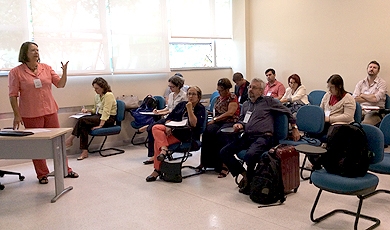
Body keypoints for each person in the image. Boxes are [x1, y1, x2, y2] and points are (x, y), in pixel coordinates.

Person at [8, 41, 78, 184]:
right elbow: (13, 95)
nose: (36, 52)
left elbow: (60, 84)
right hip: (31, 114)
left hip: (50, 111)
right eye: (33, 50)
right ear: (25, 53)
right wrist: (16, 114)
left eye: (37, 50)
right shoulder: (16, 72)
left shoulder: (46, 68)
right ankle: (42, 174)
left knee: (58, 142)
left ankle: (65, 169)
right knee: (37, 145)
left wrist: (64, 72)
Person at [220, 78, 300, 194]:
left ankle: (251, 180)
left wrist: (294, 128)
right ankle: (246, 175)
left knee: (250, 155)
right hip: (247, 136)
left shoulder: (268, 101)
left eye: (254, 87)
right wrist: (239, 124)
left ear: (261, 91)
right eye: (249, 87)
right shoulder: (246, 104)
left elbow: (287, 112)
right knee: (224, 152)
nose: (250, 89)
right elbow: (243, 120)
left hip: (264, 137)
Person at [146, 86, 206, 182]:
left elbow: (194, 124)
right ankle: (164, 149)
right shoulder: (182, 104)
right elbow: (169, 117)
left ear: (198, 97)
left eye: (193, 94)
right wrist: (168, 125)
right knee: (155, 127)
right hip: (172, 131)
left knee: (158, 143)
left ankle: (157, 170)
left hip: (185, 136)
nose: (190, 96)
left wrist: (190, 109)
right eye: (189, 94)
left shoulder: (200, 108)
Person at [309, 74, 356, 169]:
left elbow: (348, 116)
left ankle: (322, 161)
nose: (329, 90)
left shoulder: (348, 98)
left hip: (342, 126)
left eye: (332, 87)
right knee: (311, 133)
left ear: (339, 87)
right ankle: (314, 159)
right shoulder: (327, 95)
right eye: (328, 87)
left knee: (333, 134)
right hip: (326, 123)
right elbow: (321, 109)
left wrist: (330, 119)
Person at [196, 78, 240, 178]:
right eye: (218, 90)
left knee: (221, 134)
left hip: (230, 121)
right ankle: (206, 162)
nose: (219, 92)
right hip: (219, 120)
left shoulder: (232, 97)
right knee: (208, 132)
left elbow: (230, 113)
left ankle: (225, 166)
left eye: (220, 90)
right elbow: (216, 112)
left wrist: (215, 120)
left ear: (227, 89)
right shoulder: (218, 98)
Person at [65, 77, 117, 160]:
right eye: (94, 88)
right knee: (83, 125)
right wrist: (87, 111)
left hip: (108, 119)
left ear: (103, 87)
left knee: (82, 120)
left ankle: (70, 139)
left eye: (97, 88)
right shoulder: (97, 96)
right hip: (99, 116)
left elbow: (106, 112)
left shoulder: (109, 95)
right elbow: (96, 110)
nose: (95, 90)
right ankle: (84, 151)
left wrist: (100, 125)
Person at [142, 75, 188, 164]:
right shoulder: (171, 95)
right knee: (150, 129)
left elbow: (178, 111)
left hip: (176, 120)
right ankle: (155, 153)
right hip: (168, 118)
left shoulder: (184, 96)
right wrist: (158, 111)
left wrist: (165, 113)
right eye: (169, 86)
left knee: (152, 128)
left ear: (178, 86)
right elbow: (168, 108)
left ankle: (160, 152)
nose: (170, 88)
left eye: (172, 86)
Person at [353, 60, 387, 126]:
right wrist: (371, 97)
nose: (372, 69)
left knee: (364, 125)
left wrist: (362, 95)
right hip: (361, 110)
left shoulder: (382, 83)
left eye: (374, 68)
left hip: (375, 112)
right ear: (367, 69)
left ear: (378, 71)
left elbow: (375, 99)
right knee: (348, 122)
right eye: (370, 67)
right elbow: (355, 99)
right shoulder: (361, 83)